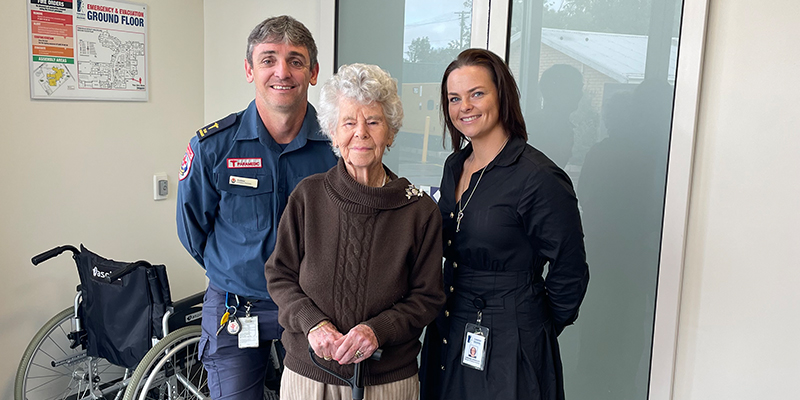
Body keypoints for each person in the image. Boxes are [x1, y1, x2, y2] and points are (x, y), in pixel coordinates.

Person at [176, 15, 337, 400]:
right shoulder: (214, 147)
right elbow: (192, 230)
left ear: (313, 72)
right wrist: (236, 270)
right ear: (249, 70)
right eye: (268, 59)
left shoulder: (338, 149)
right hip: (236, 308)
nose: (282, 72)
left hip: (314, 311)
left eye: (296, 60)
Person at [265, 63, 446, 400]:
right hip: (309, 376)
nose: (360, 132)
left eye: (373, 121)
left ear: (390, 133)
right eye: (348, 122)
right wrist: (312, 323)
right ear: (333, 133)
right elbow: (279, 275)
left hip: (387, 381)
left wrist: (377, 331)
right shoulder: (308, 196)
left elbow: (427, 297)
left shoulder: (419, 211)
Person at [419, 49, 590, 400]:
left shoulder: (538, 178)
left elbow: (570, 271)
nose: (464, 106)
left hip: (511, 339)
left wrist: (529, 328)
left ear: (502, 95)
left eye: (476, 93)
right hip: (450, 325)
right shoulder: (455, 165)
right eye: (454, 98)